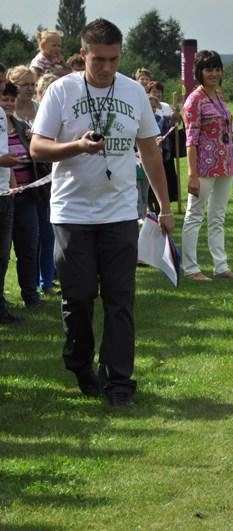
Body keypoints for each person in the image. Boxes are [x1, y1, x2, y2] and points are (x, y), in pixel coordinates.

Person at [30, 18, 175, 407]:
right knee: (77, 299)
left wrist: (164, 205)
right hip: (71, 212)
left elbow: (150, 152)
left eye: (113, 59)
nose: (107, 67)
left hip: (120, 213)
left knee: (120, 299)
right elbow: (38, 148)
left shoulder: (133, 93)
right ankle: (79, 362)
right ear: (83, 55)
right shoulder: (61, 91)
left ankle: (119, 383)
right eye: (98, 59)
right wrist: (76, 146)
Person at [181, 50, 233, 281]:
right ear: (199, 72)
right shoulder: (193, 101)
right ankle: (190, 269)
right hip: (203, 167)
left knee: (218, 217)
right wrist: (192, 174)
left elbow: (220, 127)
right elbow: (191, 140)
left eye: (217, 69)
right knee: (194, 216)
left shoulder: (218, 94)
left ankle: (221, 266)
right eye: (209, 69)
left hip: (226, 163)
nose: (214, 73)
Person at [2, 82, 44, 308]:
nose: (8, 103)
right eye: (4, 98)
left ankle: (31, 295)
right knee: (3, 253)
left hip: (27, 196)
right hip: (5, 195)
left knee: (29, 247)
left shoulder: (21, 125)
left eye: (11, 99)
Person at [0, 65, 23, 324]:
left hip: (5, 193)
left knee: (3, 255)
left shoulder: (1, 114)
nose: (3, 85)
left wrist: (12, 178)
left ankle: (0, 308)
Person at [145, 80, 179, 212]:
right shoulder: (146, 105)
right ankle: (150, 207)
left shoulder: (165, 106)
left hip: (165, 150)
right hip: (149, 149)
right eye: (154, 91)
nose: (157, 94)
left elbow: (174, 123)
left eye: (159, 92)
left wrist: (176, 116)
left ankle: (164, 206)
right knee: (150, 179)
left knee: (166, 177)